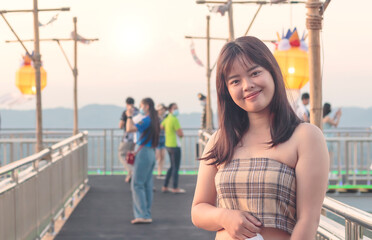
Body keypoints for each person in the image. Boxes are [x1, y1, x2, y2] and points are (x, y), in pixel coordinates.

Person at [191, 36, 329, 240]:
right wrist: (225, 216)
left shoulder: (305, 137)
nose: (247, 85)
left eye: (255, 73)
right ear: (227, 91)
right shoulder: (220, 140)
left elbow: (308, 220)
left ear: (272, 73)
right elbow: (198, 210)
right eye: (235, 81)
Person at [126, 97, 160, 224]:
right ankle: (146, 213)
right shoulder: (154, 120)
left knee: (137, 184)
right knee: (147, 184)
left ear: (146, 106)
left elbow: (129, 129)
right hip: (150, 151)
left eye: (141, 105)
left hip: (143, 152)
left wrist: (129, 116)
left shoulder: (146, 120)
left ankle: (142, 214)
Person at [161, 103, 186, 194]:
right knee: (175, 167)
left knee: (172, 166)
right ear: (170, 109)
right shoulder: (174, 119)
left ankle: (165, 186)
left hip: (168, 144)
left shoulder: (167, 119)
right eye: (175, 108)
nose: (177, 110)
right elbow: (180, 134)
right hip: (175, 145)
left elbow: (161, 127)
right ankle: (175, 187)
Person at [118, 97, 138, 183]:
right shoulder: (138, 111)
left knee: (122, 154)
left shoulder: (126, 112)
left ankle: (130, 170)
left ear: (126, 103)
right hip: (137, 137)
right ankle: (130, 174)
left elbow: (121, 125)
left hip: (128, 138)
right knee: (132, 156)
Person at [155, 103, 167, 179]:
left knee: (163, 156)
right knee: (158, 157)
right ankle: (158, 172)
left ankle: (160, 172)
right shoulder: (156, 118)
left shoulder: (166, 117)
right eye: (161, 109)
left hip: (164, 137)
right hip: (157, 138)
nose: (162, 110)